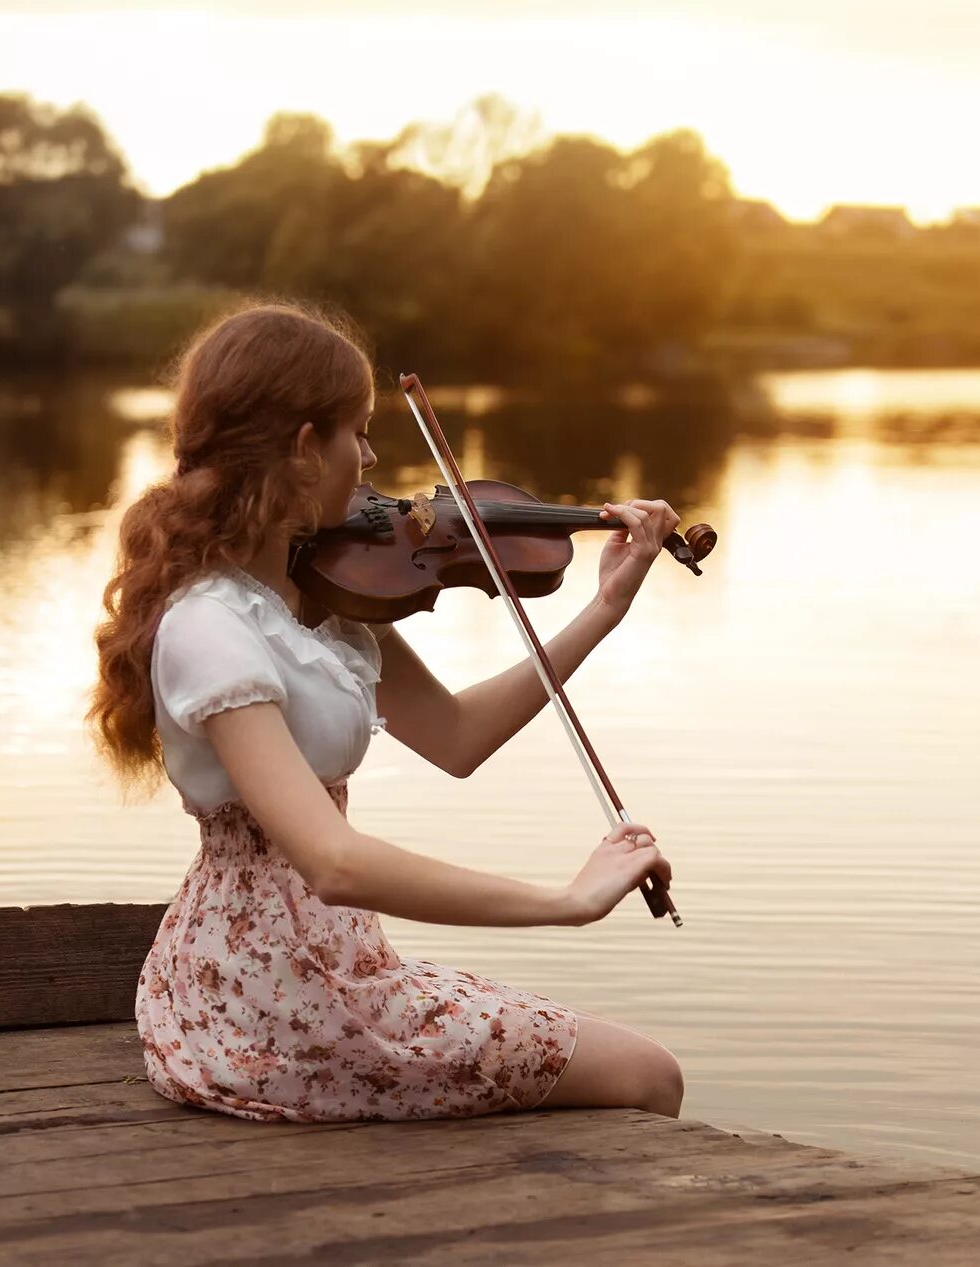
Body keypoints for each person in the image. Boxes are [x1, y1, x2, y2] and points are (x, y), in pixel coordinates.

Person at [88, 300, 682, 1125]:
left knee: (633, 1069)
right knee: (649, 1074)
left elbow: (456, 736)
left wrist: (601, 612)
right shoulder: (210, 627)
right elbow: (331, 862)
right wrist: (566, 900)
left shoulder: (323, 595)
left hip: (333, 967)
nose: (371, 462)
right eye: (358, 434)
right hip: (264, 998)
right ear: (304, 449)